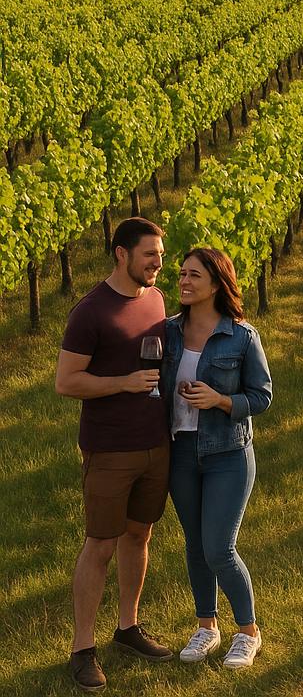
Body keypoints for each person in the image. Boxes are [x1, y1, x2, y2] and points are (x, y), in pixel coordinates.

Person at [56, 217, 175, 692]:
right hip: (109, 448)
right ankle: (82, 648)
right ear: (121, 254)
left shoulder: (156, 299)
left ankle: (128, 627)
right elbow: (67, 382)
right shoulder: (91, 312)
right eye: (150, 254)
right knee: (100, 544)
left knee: (139, 534)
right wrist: (123, 383)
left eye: (161, 255)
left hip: (156, 443)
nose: (158, 263)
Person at [161, 247, 272, 669]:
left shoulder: (241, 336)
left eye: (194, 275)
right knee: (195, 545)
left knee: (219, 549)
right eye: (182, 274)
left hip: (228, 453)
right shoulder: (169, 332)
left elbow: (261, 396)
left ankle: (248, 632)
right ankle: (206, 626)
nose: (184, 281)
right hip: (181, 451)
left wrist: (221, 400)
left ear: (215, 284)